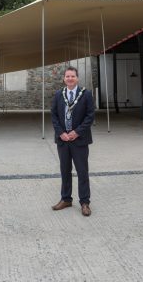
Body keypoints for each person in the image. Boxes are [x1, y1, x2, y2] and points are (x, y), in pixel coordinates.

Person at [51, 66, 95, 216]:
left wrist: (77, 132)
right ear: (64, 79)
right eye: (67, 76)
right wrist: (61, 133)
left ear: (77, 78)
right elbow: (54, 116)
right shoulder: (58, 95)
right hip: (63, 140)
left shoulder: (86, 94)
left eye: (72, 76)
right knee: (65, 170)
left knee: (82, 171)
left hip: (79, 140)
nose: (70, 79)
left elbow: (90, 116)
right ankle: (66, 199)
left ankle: (85, 202)